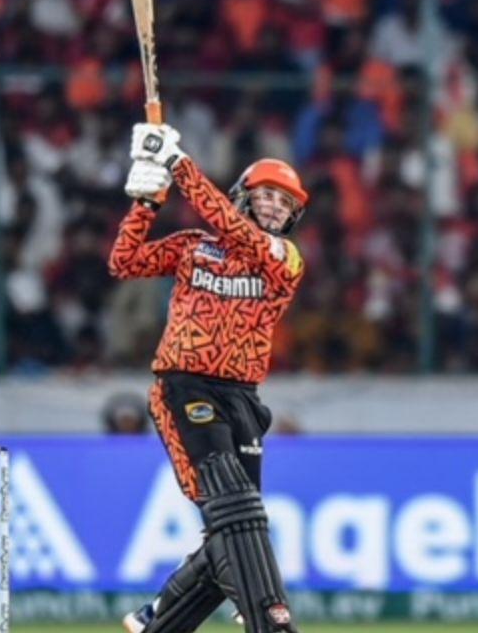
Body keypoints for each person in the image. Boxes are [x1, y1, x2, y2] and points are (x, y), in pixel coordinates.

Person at [110, 124, 308, 633]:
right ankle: (268, 615)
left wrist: (179, 165)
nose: (272, 207)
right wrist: (148, 202)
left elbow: (238, 231)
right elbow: (124, 261)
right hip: (185, 386)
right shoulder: (195, 247)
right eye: (264, 195)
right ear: (243, 193)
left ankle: (157, 622)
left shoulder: (284, 259)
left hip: (242, 397)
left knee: (234, 521)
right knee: (233, 504)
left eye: (284, 204)